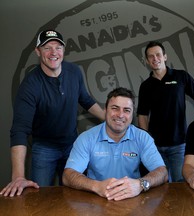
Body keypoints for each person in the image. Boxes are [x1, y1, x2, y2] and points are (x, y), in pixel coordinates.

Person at [0, 30, 105, 197]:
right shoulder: (30, 85)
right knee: (40, 198)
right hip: (44, 148)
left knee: (79, 197)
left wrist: (108, 118)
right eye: (47, 48)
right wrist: (18, 176)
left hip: (72, 145)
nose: (53, 52)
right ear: (38, 51)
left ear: (63, 50)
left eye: (58, 47)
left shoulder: (74, 72)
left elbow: (85, 99)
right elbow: (20, 130)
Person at [62, 87, 168, 201]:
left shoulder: (143, 137)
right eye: (115, 108)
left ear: (132, 115)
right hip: (95, 199)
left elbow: (162, 172)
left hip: (132, 199)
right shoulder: (86, 138)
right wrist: (96, 186)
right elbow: (68, 176)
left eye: (126, 110)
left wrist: (140, 184)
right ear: (105, 110)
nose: (120, 115)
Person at [137, 41, 194, 182]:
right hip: (156, 147)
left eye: (158, 55)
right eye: (151, 56)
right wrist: (147, 142)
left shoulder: (180, 76)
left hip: (179, 145)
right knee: (160, 186)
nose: (155, 59)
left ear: (165, 56)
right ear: (147, 61)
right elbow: (143, 115)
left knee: (180, 185)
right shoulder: (145, 86)